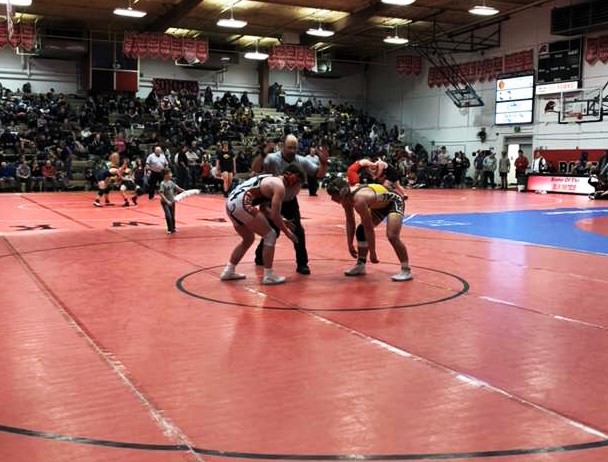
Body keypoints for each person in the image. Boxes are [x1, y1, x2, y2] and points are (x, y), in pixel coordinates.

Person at [254, 133, 328, 275]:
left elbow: (318, 174)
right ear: (282, 146)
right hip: (272, 200)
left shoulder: (302, 160)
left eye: (295, 148)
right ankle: (259, 255)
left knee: (298, 231)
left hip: (290, 201)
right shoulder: (272, 159)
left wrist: (324, 163)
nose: (292, 151)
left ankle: (302, 264)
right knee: (273, 232)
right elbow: (256, 169)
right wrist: (262, 153)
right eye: (289, 147)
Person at [221, 164, 305, 285]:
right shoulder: (279, 187)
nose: (297, 191)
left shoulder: (271, 180)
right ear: (293, 180)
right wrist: (288, 233)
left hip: (230, 204)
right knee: (270, 234)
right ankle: (268, 275)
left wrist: (284, 221)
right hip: (241, 203)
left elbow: (264, 209)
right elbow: (275, 217)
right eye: (298, 186)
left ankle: (228, 270)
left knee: (248, 238)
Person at [326, 177, 412, 282]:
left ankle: (406, 270)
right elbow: (350, 222)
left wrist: (373, 252)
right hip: (379, 205)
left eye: (333, 196)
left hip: (394, 201)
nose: (332, 199)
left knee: (392, 236)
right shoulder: (346, 199)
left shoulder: (359, 200)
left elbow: (369, 228)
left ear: (341, 194)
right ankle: (361, 265)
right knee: (361, 231)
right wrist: (350, 244)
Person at [158, 169, 184, 234]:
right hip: (165, 202)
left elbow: (176, 187)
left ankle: (173, 228)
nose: (171, 175)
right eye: (169, 173)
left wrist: (182, 190)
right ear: (165, 175)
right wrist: (166, 201)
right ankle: (169, 228)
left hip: (172, 201)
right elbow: (161, 193)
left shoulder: (171, 182)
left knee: (172, 215)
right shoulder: (162, 183)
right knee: (168, 215)